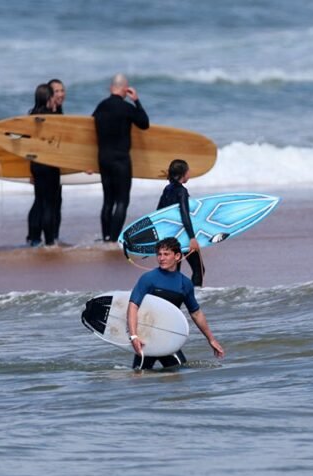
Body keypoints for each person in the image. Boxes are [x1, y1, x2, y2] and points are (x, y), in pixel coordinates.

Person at [127, 236, 223, 370]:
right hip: (146, 340)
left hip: (167, 340)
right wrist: (133, 336)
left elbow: (196, 313)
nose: (161, 258)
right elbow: (133, 306)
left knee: (179, 378)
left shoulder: (185, 284)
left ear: (177, 256)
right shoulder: (148, 279)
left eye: (166, 254)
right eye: (159, 254)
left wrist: (211, 339)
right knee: (138, 378)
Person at [94, 73, 150, 241]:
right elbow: (144, 123)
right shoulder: (126, 108)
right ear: (126, 89)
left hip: (103, 158)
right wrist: (137, 101)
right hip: (121, 160)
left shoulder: (100, 107)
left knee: (108, 201)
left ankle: (106, 237)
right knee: (122, 201)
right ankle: (113, 240)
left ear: (111, 88)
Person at [158, 159, 204, 287]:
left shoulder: (167, 189)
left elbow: (158, 213)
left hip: (171, 237)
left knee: (173, 272)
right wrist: (192, 238)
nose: (190, 173)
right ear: (183, 174)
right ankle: (194, 299)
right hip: (183, 235)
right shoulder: (182, 191)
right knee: (198, 270)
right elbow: (185, 215)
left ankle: (171, 300)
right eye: (188, 171)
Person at [26, 83, 62, 246]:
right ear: (48, 98)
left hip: (35, 164)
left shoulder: (31, 116)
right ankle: (49, 242)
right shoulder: (52, 118)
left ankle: (34, 239)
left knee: (39, 201)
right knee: (49, 204)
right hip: (49, 163)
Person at [47, 78, 65, 240]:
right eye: (56, 91)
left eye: (62, 90)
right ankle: (39, 239)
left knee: (57, 202)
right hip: (45, 165)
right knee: (44, 203)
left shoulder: (59, 111)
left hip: (56, 165)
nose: (60, 94)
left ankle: (54, 238)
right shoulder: (43, 114)